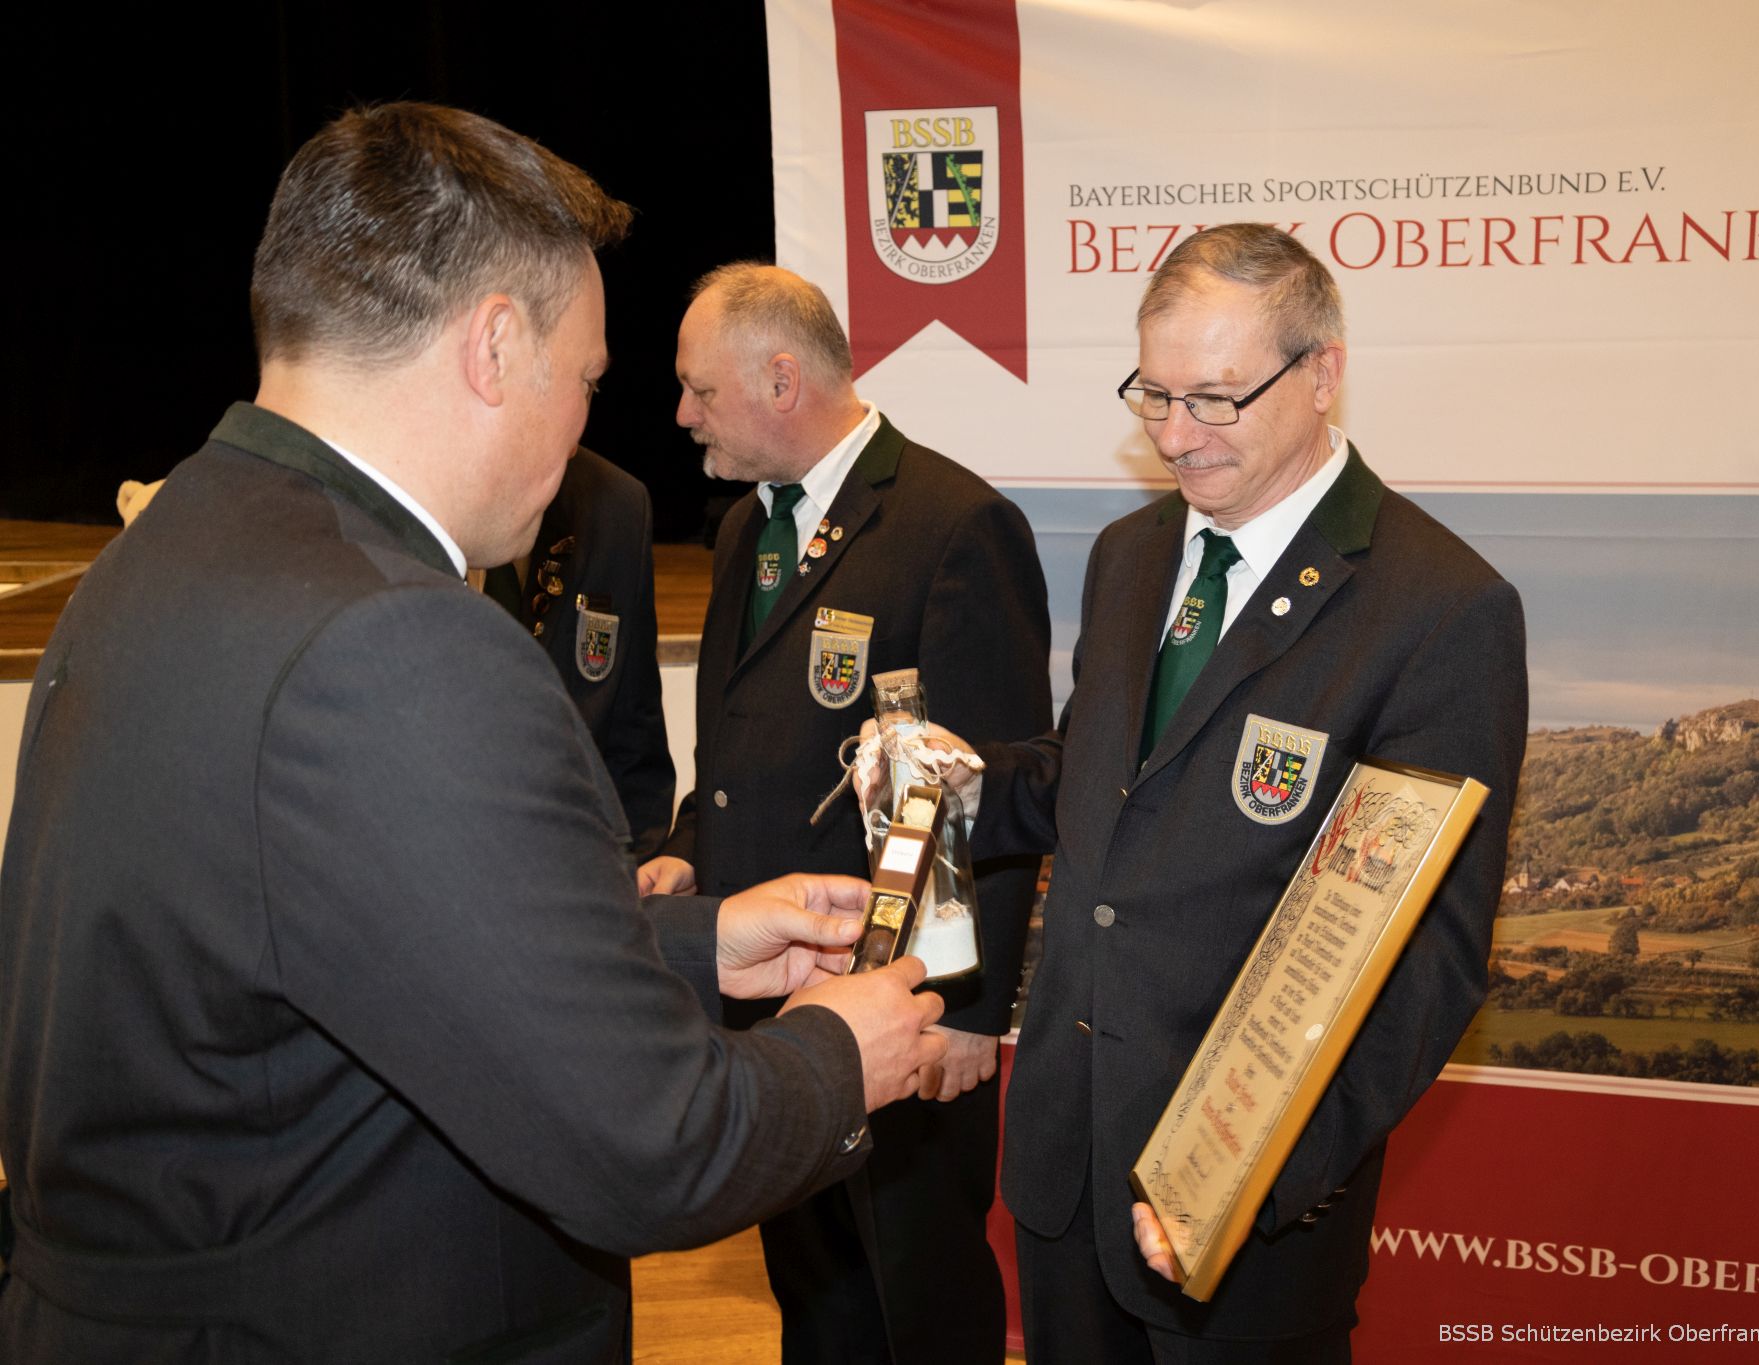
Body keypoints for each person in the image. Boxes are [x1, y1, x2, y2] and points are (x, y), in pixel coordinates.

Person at [0, 102, 945, 1364]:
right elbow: (650, 1148)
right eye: (587, 381)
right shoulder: (399, 641)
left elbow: (340, 938)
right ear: (496, 346)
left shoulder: (172, 544)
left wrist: (696, 939)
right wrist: (841, 1051)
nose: (582, 427)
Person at [948, 223, 1529, 1360]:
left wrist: (1246, 1178)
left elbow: (1423, 962)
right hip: (1067, 1166)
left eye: (1213, 398)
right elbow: (1098, 782)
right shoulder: (1129, 555)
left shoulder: (1436, 608)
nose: (1172, 435)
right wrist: (954, 783)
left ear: (1321, 372)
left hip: (1238, 1219)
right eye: (1151, 394)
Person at [636, 263, 1052, 1365]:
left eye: (698, 391)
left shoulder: (954, 525)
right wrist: (688, 853)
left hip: (903, 1005)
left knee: (913, 1304)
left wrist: (968, 1009)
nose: (680, 416)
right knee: (816, 1301)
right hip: (780, 1011)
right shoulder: (745, 534)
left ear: (782, 379)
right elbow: (730, 748)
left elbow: (994, 788)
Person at [478, 446, 676, 856]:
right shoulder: (411, 483)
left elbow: (635, 735)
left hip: (581, 866)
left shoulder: (614, 503)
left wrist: (634, 885)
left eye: (590, 385)